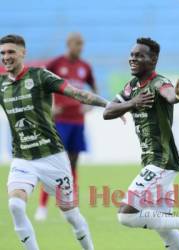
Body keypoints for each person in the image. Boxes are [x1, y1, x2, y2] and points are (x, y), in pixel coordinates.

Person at [0, 34, 109, 250]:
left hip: (53, 158)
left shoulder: (40, 76)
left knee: (71, 215)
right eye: (2, 53)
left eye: (11, 52)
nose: (6, 56)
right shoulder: (1, 84)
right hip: (23, 159)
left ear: (23, 53)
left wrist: (109, 105)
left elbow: (78, 93)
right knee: (15, 205)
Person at [103, 37, 179, 250]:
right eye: (132, 55)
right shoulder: (131, 87)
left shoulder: (160, 82)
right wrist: (132, 103)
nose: (133, 59)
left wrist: (176, 97)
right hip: (152, 160)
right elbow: (107, 112)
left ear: (153, 59)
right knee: (166, 231)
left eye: (139, 55)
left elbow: (169, 94)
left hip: (161, 160)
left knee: (126, 215)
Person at [35, 33, 97, 221]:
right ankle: (42, 206)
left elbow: (95, 89)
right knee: (53, 164)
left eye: (82, 44)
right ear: (68, 44)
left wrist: (90, 106)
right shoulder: (55, 64)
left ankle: (68, 205)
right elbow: (39, 84)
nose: (80, 47)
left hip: (78, 121)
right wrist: (49, 107)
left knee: (73, 164)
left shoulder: (85, 67)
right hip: (59, 122)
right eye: (77, 44)